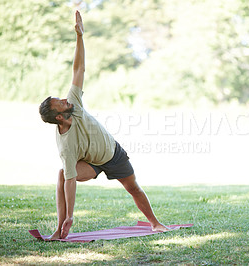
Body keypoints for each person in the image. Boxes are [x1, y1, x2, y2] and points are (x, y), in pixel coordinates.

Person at [39, 10, 169, 240]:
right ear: (59, 117)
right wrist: (71, 215)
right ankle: (61, 228)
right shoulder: (66, 147)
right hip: (90, 162)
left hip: (112, 153)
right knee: (62, 174)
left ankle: (155, 223)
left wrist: (80, 36)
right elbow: (70, 180)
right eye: (59, 102)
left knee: (134, 188)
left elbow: (78, 69)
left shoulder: (74, 104)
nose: (64, 99)